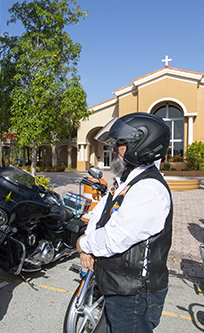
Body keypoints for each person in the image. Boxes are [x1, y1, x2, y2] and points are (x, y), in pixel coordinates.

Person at [76, 112, 172, 332]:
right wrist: (88, 246)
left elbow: (114, 238)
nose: (112, 149)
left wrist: (84, 244)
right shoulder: (125, 180)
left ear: (142, 145)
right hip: (117, 285)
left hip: (134, 294)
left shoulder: (148, 189)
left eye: (120, 144)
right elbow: (100, 214)